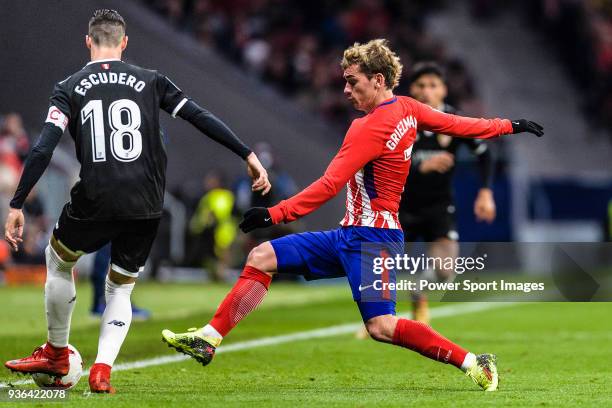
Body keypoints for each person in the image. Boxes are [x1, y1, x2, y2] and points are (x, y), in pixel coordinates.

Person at [162, 39, 543, 391]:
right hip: (350, 236)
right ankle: (209, 338)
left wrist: (275, 213)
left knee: (381, 326)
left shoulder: (369, 127)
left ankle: (475, 363)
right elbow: (461, 125)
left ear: (378, 80)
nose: (345, 89)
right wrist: (510, 125)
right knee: (262, 257)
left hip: (372, 242)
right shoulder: (408, 109)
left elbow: (329, 185)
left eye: (352, 81)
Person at [3, 9, 270, 394]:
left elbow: (44, 146)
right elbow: (200, 117)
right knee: (121, 288)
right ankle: (102, 371)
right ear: (124, 43)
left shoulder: (70, 86)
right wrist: (246, 154)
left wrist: (17, 203)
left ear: (88, 41)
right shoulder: (151, 81)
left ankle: (57, 352)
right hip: (147, 202)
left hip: (95, 196)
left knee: (58, 260)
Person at [401, 62, 496, 324]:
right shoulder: (400, 122)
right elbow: (377, 164)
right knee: (377, 267)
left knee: (446, 270)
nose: (426, 91)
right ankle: (376, 321)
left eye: (433, 85)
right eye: (420, 85)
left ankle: (418, 291)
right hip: (400, 205)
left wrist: (485, 192)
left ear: (443, 90)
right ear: (412, 89)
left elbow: (485, 154)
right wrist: (421, 167)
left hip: (438, 206)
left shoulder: (455, 121)